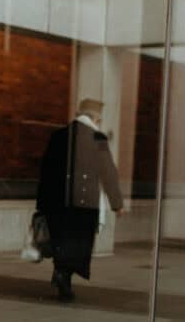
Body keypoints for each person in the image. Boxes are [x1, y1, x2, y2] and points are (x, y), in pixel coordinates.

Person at [36, 98, 124, 301]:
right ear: (96, 117)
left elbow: (45, 171)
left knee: (61, 240)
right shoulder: (98, 138)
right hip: (84, 204)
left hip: (56, 203)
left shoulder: (58, 135)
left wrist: (41, 204)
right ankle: (64, 277)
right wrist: (116, 204)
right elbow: (108, 173)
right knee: (79, 244)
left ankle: (60, 272)